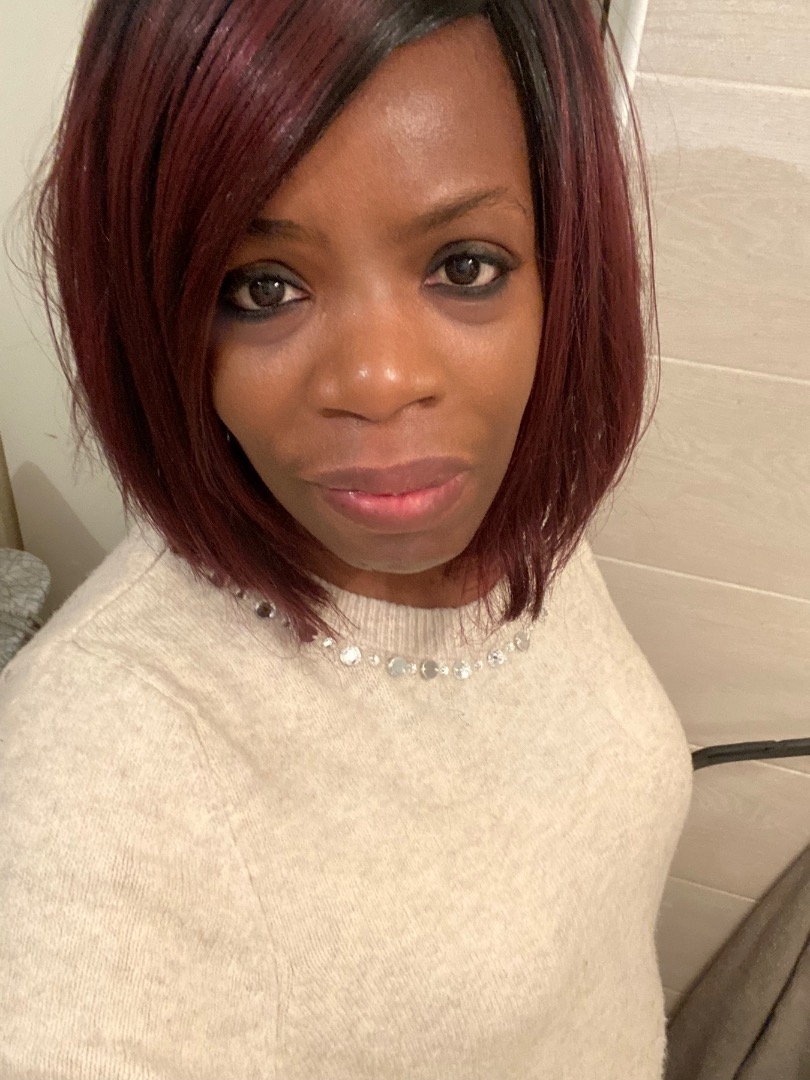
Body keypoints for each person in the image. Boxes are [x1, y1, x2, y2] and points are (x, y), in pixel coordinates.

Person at [0, 1, 693, 1077]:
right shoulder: (98, 772)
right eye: (263, 287)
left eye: (465, 266)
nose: (379, 382)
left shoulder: (507, 522)